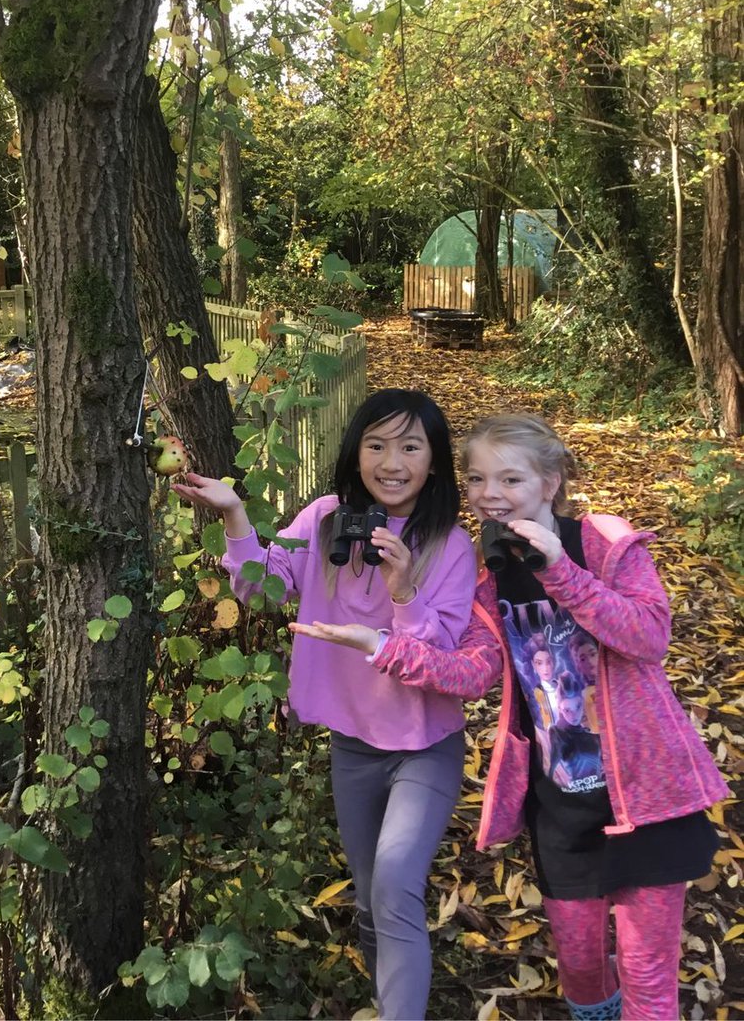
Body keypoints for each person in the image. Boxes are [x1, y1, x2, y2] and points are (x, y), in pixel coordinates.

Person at [296, 412, 726, 1021]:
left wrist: (560, 571)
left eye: (511, 480)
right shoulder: (489, 576)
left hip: (647, 794)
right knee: (578, 963)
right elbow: (473, 673)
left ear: (550, 482)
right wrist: (381, 647)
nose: (490, 495)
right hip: (562, 804)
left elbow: (649, 636)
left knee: (648, 973)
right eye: (476, 479)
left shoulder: (603, 541)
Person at [173, 389, 477, 1021]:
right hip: (354, 744)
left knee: (394, 886)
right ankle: (389, 991)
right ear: (355, 453)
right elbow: (264, 589)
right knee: (369, 900)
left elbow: (441, 660)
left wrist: (403, 591)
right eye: (376, 445)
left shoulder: (449, 546)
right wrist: (234, 517)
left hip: (424, 745)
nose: (392, 462)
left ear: (435, 461)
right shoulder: (325, 519)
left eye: (411, 447)